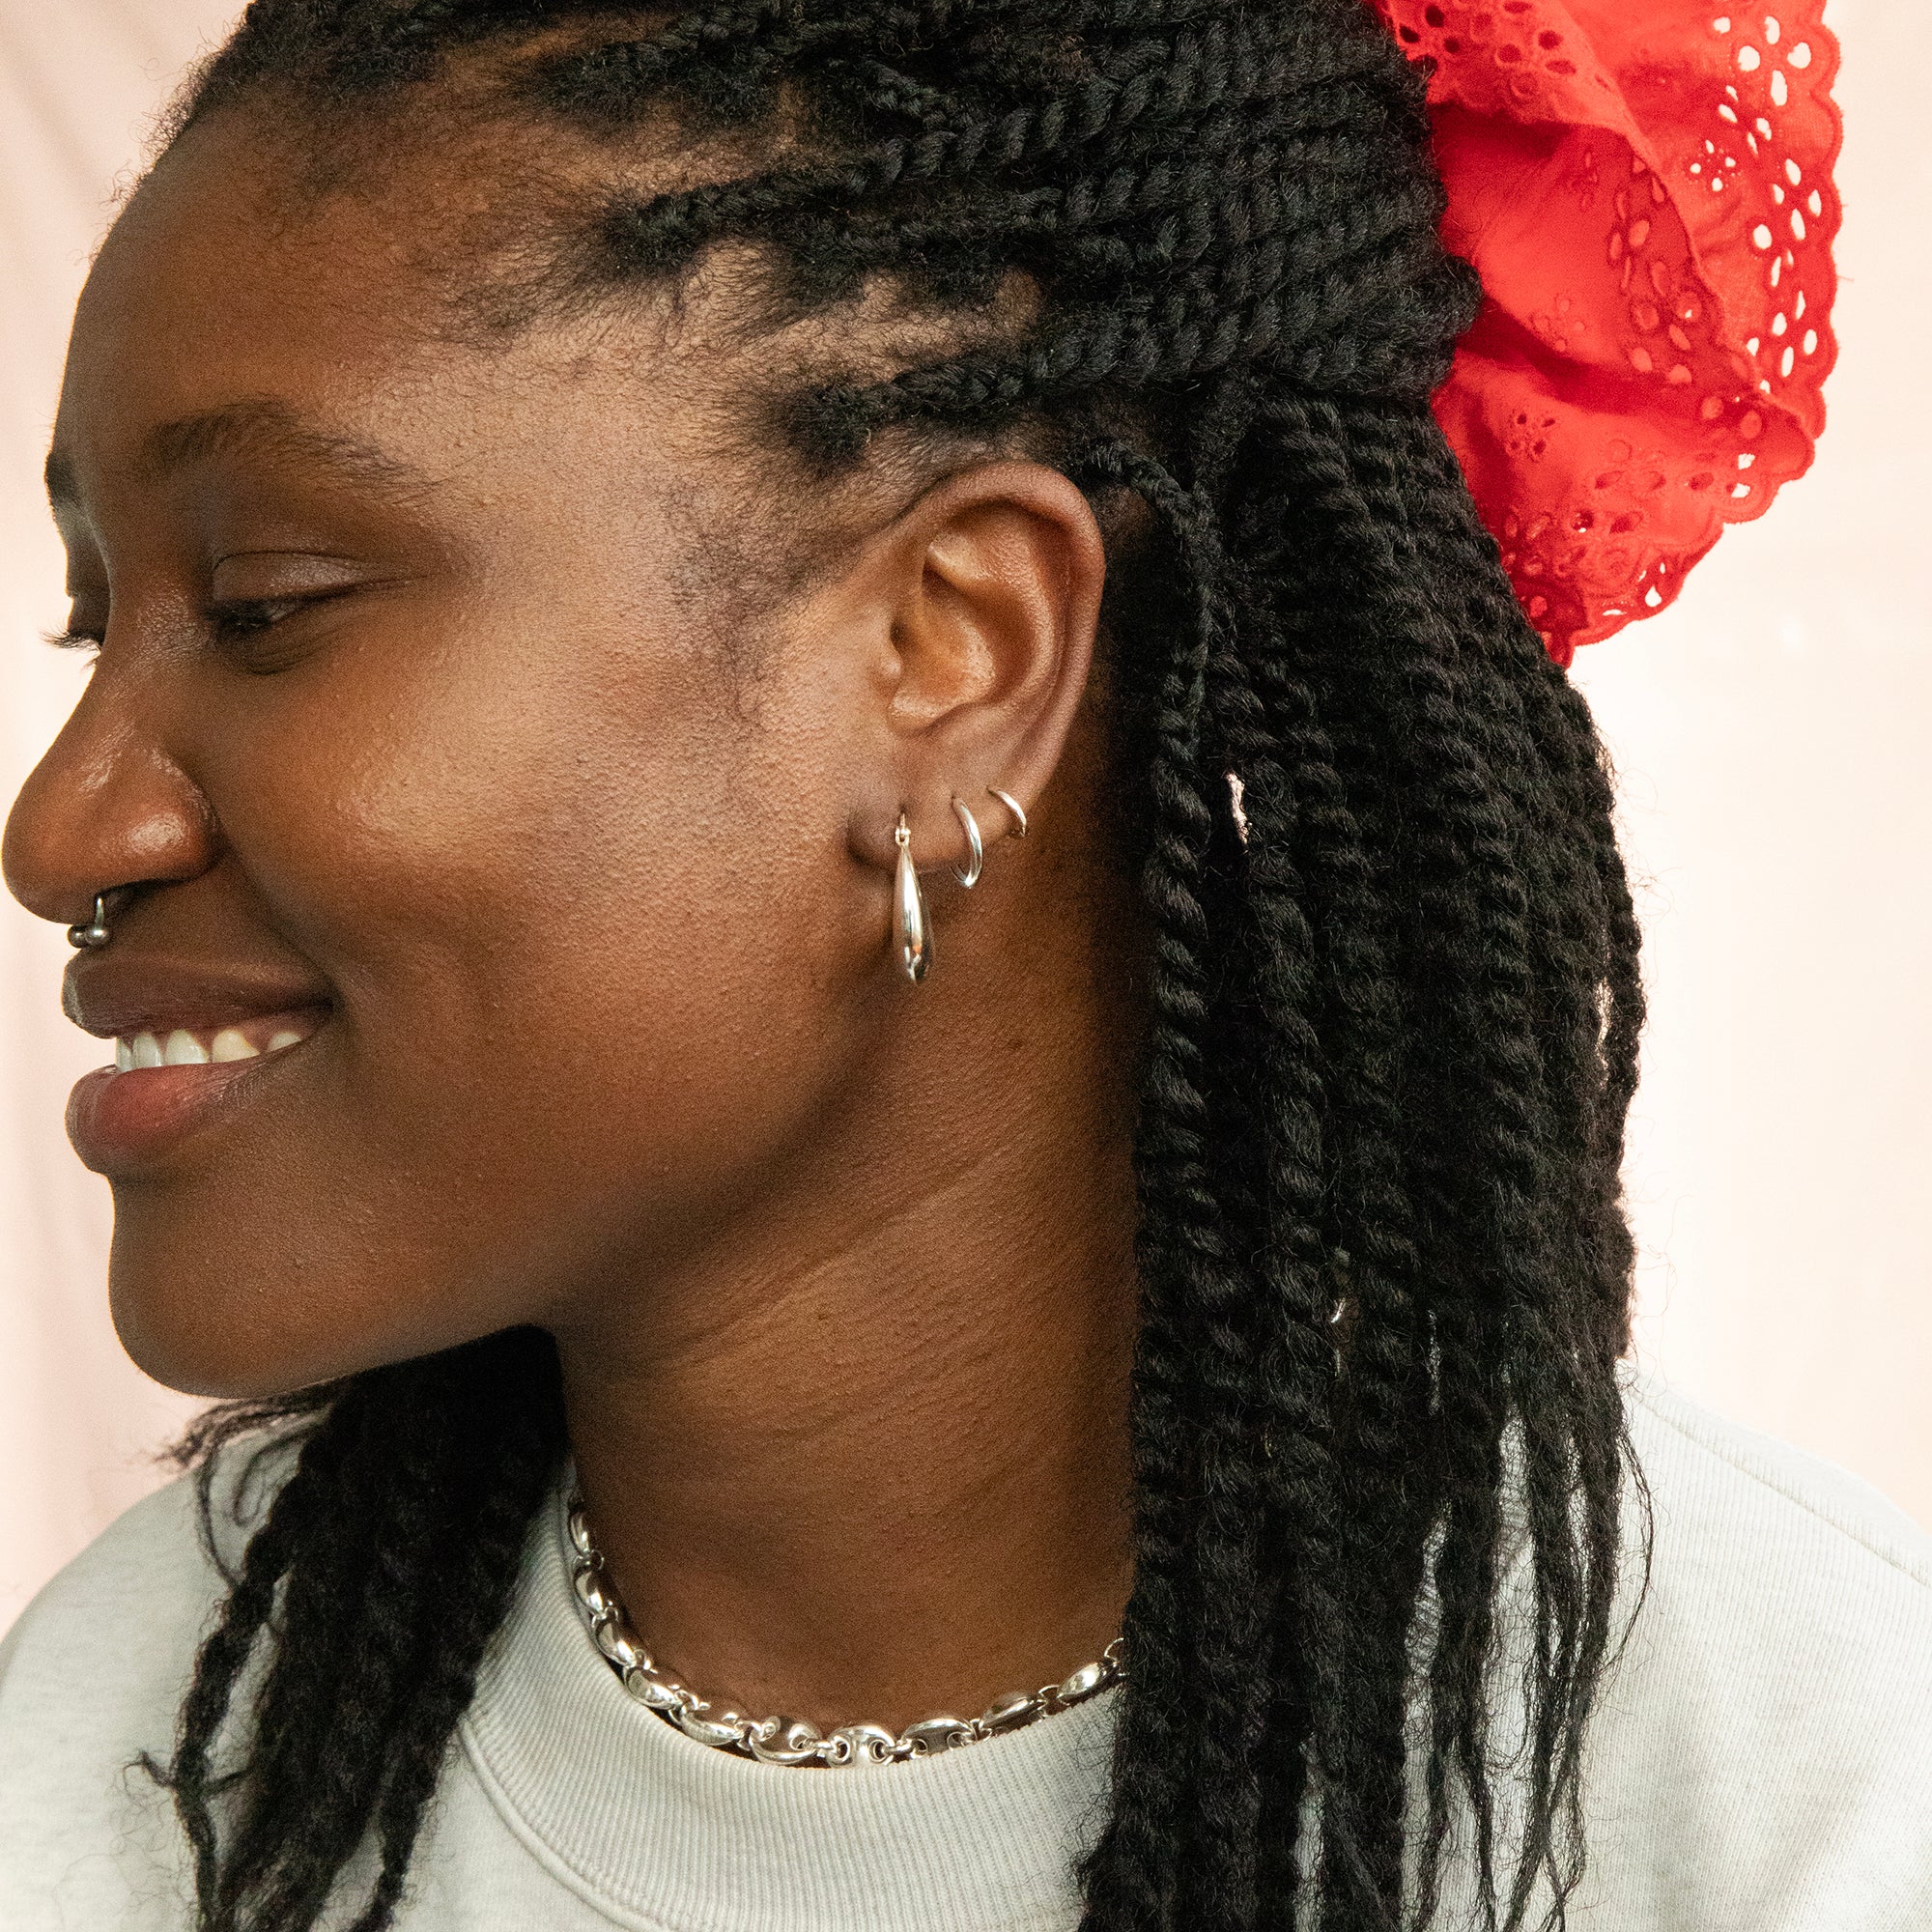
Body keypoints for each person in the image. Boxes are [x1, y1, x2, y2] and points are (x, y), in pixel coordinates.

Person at [0, 1, 1925, 1929]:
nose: (62, 830)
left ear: (949, 657)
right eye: (95, 623)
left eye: (265, 607)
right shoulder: (118, 1747)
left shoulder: (1795, 1806)